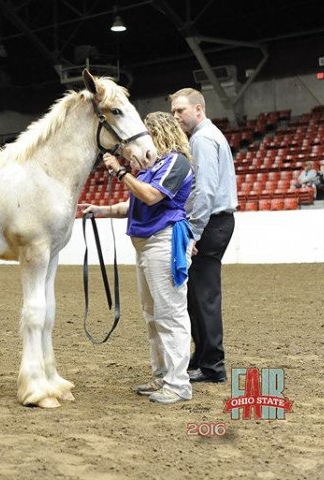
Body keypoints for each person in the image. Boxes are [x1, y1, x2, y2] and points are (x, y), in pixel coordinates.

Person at [79, 112, 194, 404]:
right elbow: (131, 205)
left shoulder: (176, 162)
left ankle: (178, 383)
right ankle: (162, 375)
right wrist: (101, 209)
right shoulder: (151, 167)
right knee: (153, 315)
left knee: (170, 314)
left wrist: (120, 171)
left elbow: (151, 196)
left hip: (164, 242)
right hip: (146, 245)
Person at [170, 88, 238, 383]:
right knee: (197, 296)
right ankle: (202, 359)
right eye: (173, 112)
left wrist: (194, 232)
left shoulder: (202, 140)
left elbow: (205, 190)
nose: (176, 117)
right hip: (214, 223)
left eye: (180, 111)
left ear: (199, 109)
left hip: (210, 225)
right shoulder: (205, 137)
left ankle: (212, 365)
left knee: (204, 296)